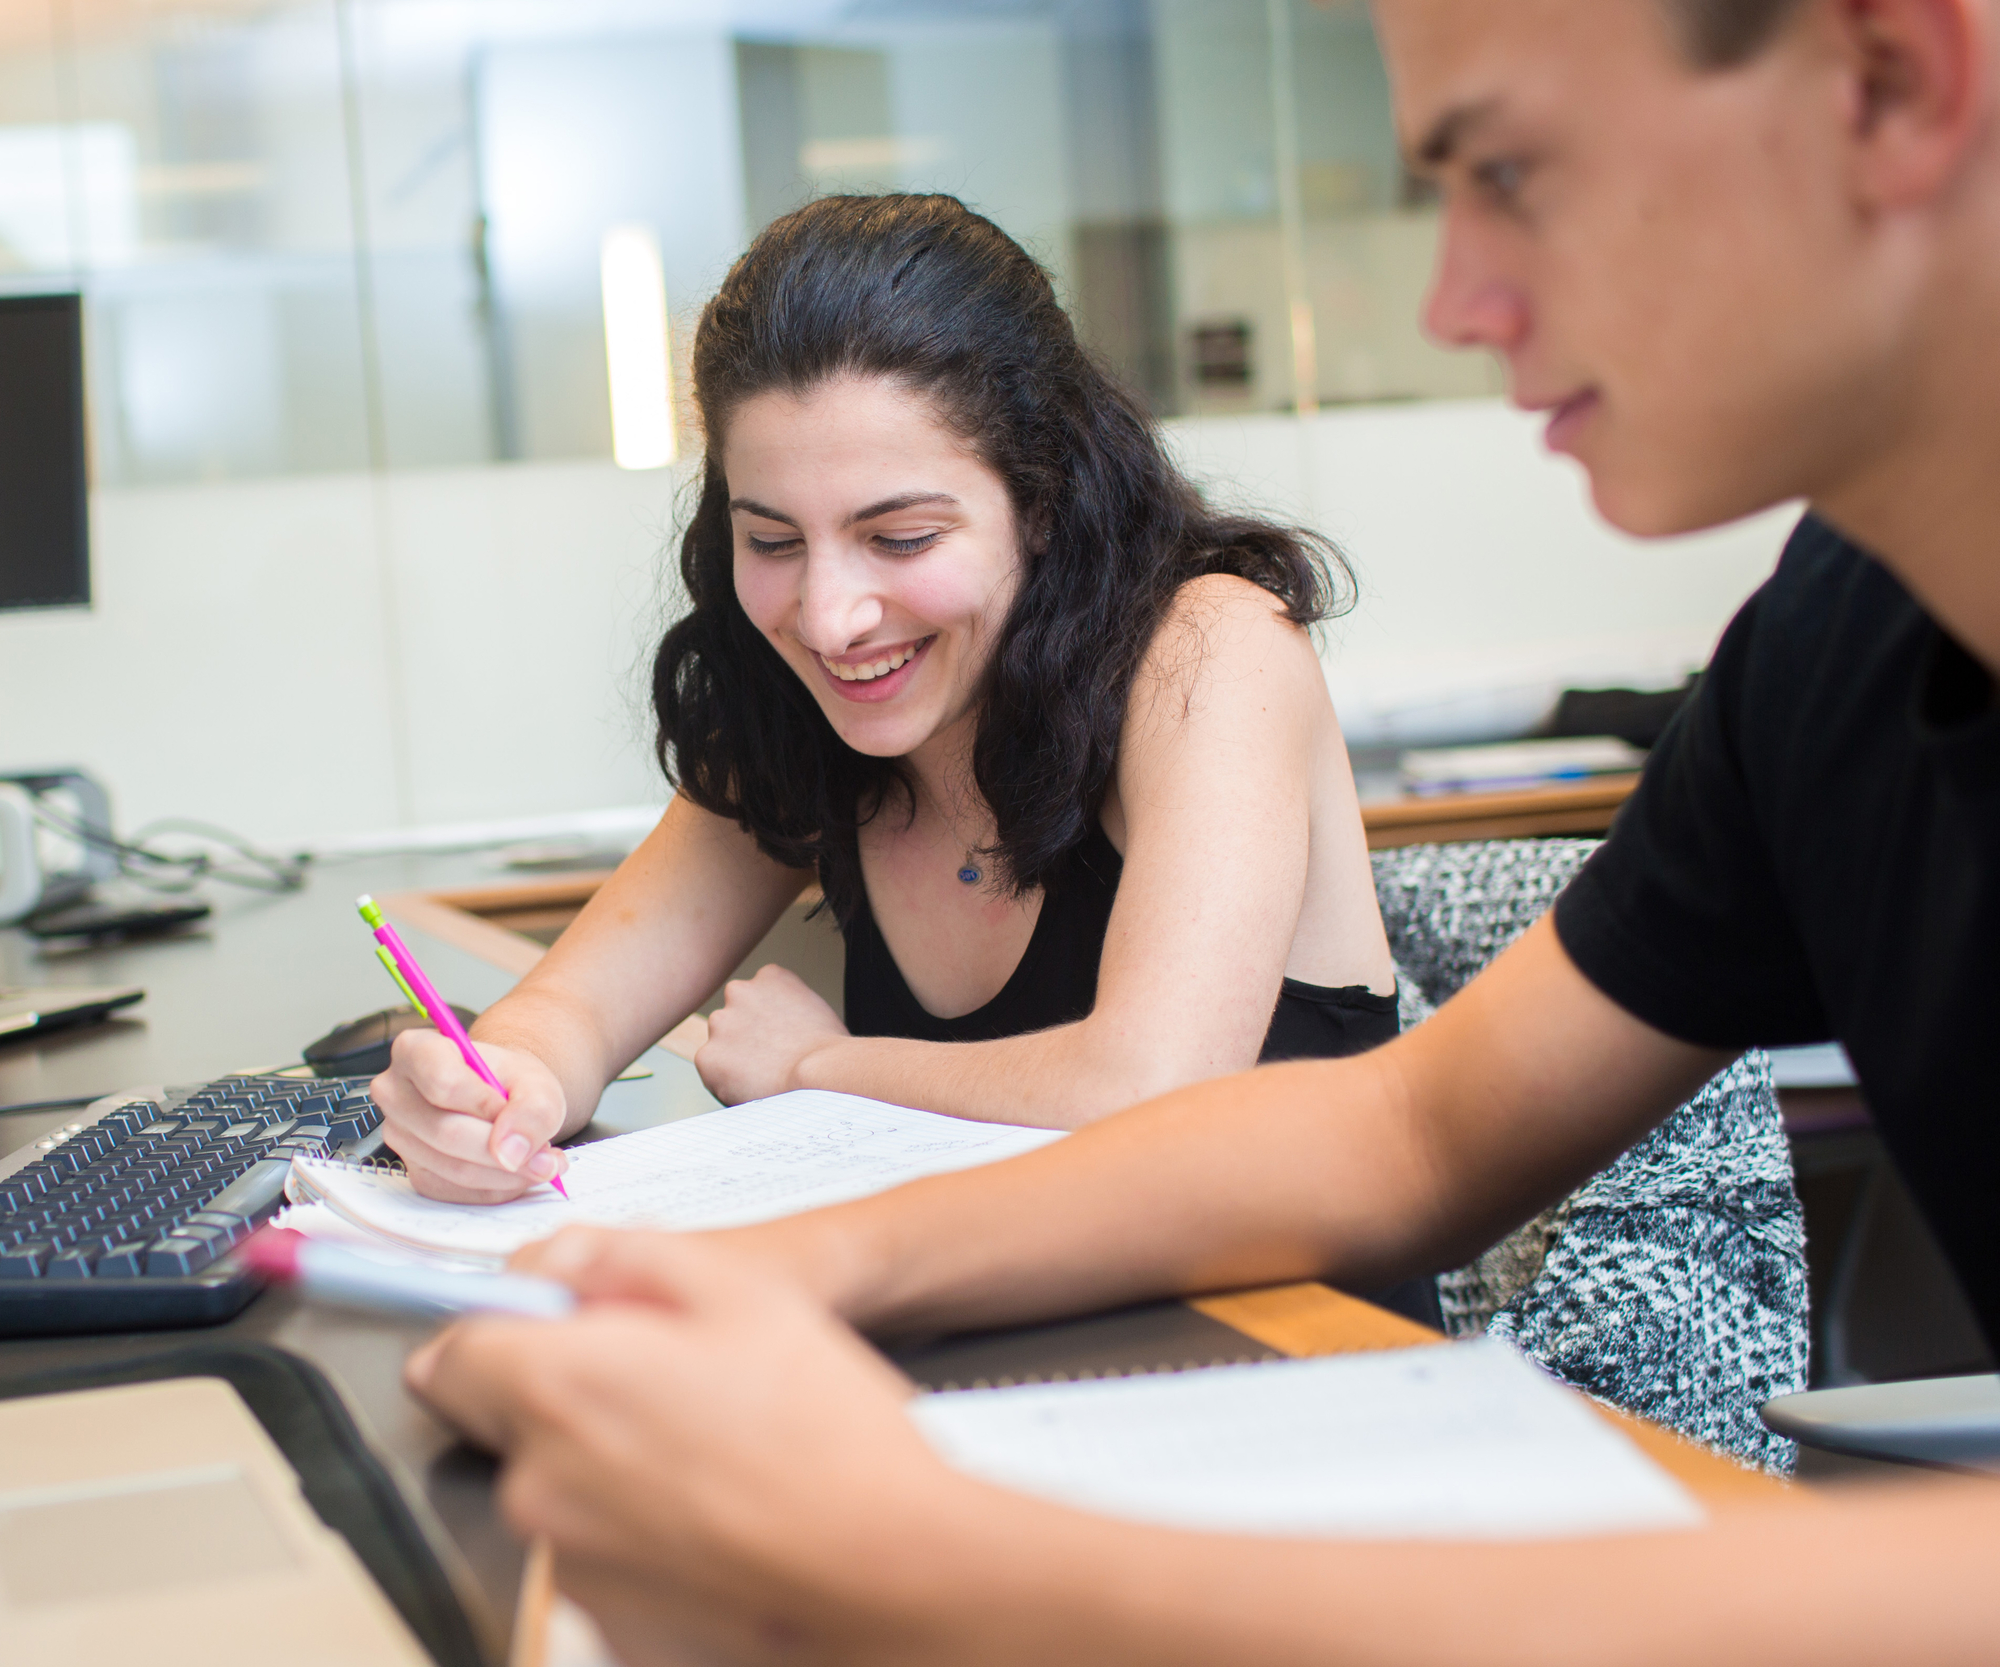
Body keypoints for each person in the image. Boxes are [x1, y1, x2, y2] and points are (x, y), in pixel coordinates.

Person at [407, 0, 2000, 1659]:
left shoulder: (1202, 649)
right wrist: (770, 1272)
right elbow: (1413, 1139)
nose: (1452, 299)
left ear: (1891, 76)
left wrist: (935, 1552)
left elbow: (1170, 1085)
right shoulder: (1835, 647)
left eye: (1511, 171)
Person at [374, 194, 1399, 1206]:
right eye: (772, 540)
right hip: (1016, 1331)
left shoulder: (1212, 646)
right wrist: (496, 1091)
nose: (828, 618)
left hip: (1295, 1337)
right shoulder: (798, 711)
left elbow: (1149, 1087)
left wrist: (820, 1065)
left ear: (1040, 502)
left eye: (900, 537)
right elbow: (573, 1010)